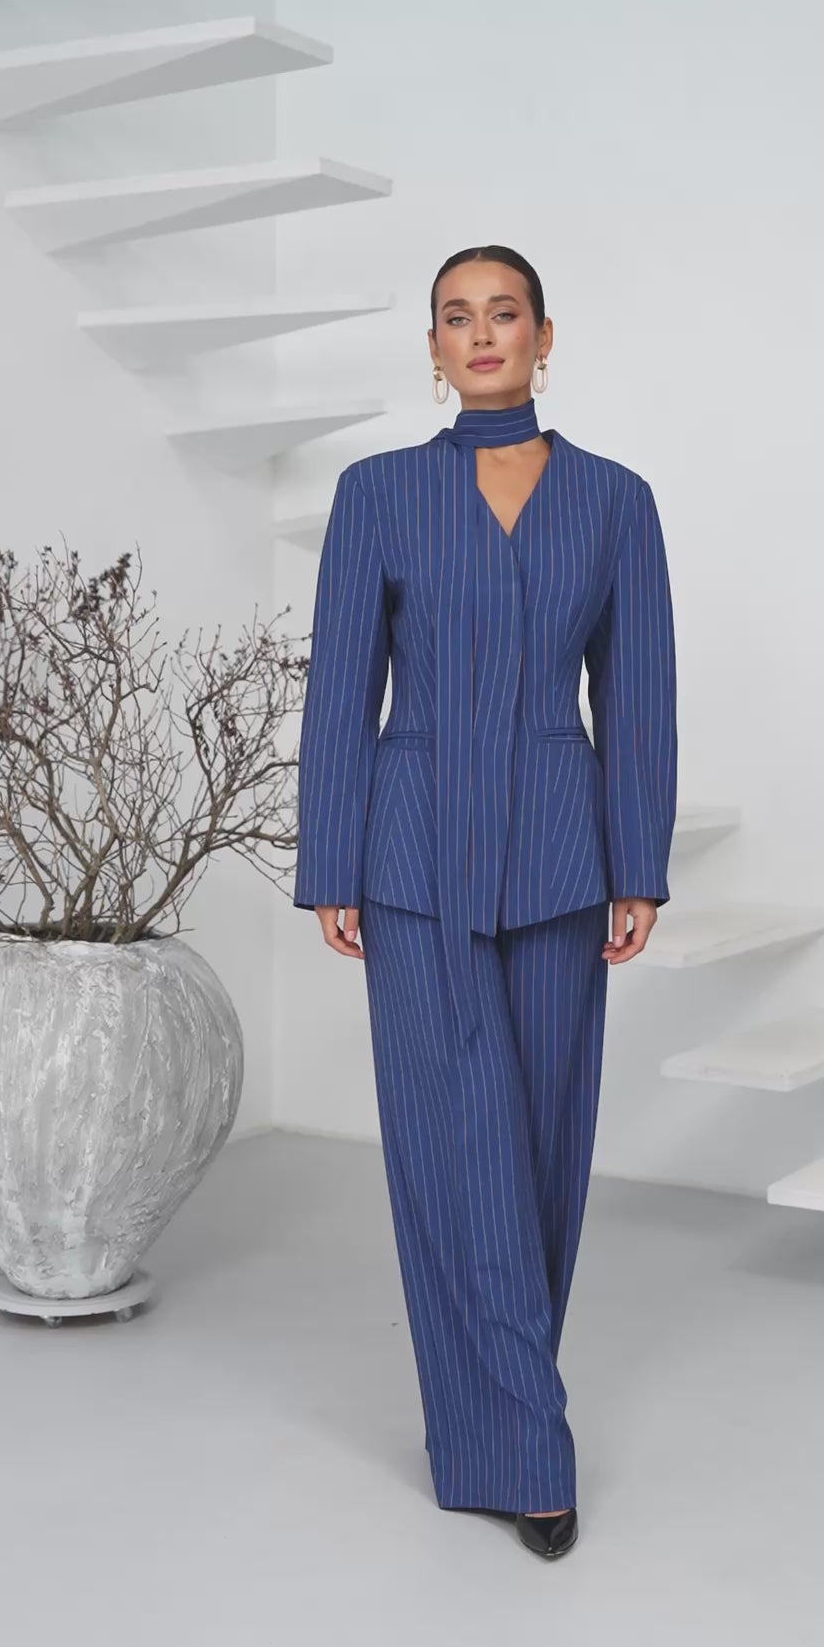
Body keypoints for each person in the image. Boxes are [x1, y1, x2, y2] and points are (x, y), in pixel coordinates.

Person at [293, 244, 678, 1560]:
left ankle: (483, 1428)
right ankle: (532, 1452)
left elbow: (637, 694)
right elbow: (340, 690)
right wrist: (332, 862)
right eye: (456, 317)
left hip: (565, 863)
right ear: (434, 348)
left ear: (543, 336)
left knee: (546, 1149)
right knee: (456, 1146)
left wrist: (637, 864)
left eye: (503, 313)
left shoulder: (615, 502)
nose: (481, 333)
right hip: (411, 865)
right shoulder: (379, 495)